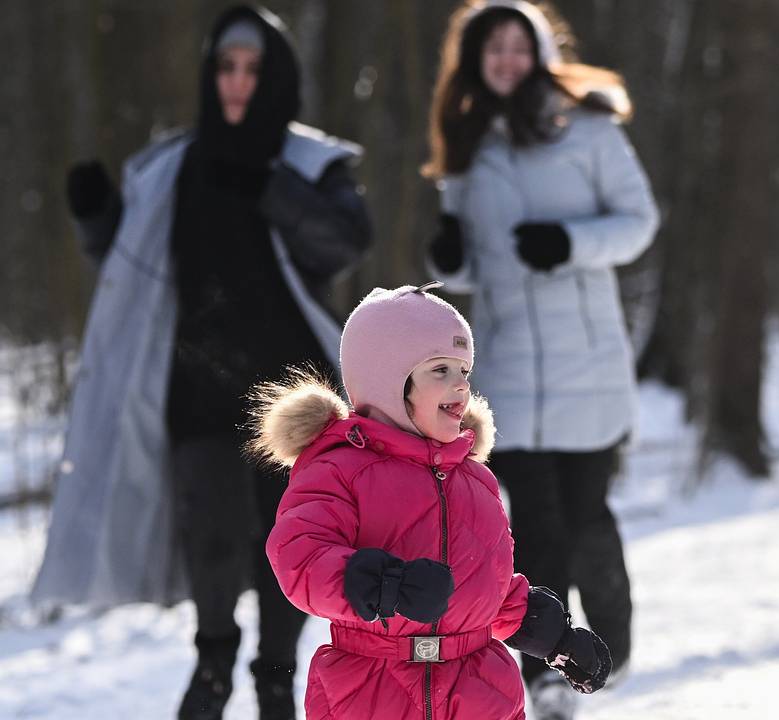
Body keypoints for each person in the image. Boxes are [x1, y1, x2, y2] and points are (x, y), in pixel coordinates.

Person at [31, 6, 372, 719]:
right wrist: (95, 217)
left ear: (274, 76)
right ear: (210, 73)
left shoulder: (311, 161)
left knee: (292, 546)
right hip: (196, 393)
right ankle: (213, 664)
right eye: (227, 66)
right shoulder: (171, 165)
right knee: (211, 541)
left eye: (253, 68)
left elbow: (344, 241)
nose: (239, 82)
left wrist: (270, 186)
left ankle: (276, 677)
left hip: (294, 404)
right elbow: (130, 262)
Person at [422, 2, 658, 715]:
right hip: (509, 368)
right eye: (489, 47)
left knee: (587, 513)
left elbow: (638, 222)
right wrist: (448, 254)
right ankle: (552, 670)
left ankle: (611, 639)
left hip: (585, 359)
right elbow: (463, 267)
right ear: (473, 60)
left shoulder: (588, 127)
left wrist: (570, 243)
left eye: (515, 44)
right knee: (532, 522)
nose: (504, 58)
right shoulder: (468, 145)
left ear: (538, 51)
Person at [253, 284, 610, 720]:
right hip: (370, 691)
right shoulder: (337, 468)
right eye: (440, 370)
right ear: (388, 383)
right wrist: (385, 585)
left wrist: (554, 636)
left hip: (480, 692)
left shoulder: (475, 480)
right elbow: (299, 555)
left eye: (465, 371)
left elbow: (487, 587)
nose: (461, 386)